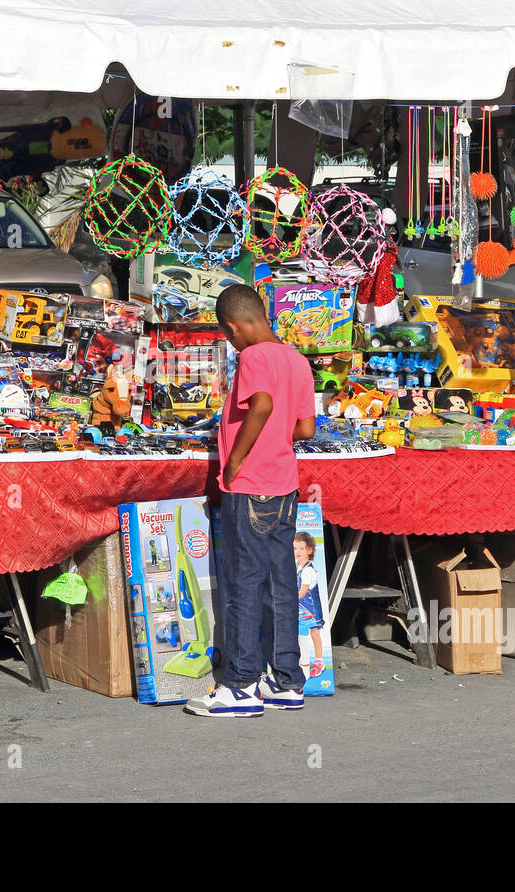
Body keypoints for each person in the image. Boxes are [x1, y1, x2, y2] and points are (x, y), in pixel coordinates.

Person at [185, 284, 315, 718]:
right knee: (280, 584)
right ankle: (286, 681)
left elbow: (261, 403)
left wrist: (236, 458)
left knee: (243, 585)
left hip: (251, 484)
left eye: (228, 335)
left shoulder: (254, 356)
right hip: (284, 486)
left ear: (234, 327)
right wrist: (275, 438)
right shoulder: (296, 359)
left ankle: (239, 685)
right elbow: (306, 429)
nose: (231, 341)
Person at [294, 531, 326, 678]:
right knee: (303, 634)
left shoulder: (308, 571)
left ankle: (318, 661)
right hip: (301, 609)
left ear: (310, 550)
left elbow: (302, 592)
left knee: (313, 633)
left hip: (310, 608)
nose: (297, 551)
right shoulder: (297, 568)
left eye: (302, 548)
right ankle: (303, 662)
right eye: (295, 548)